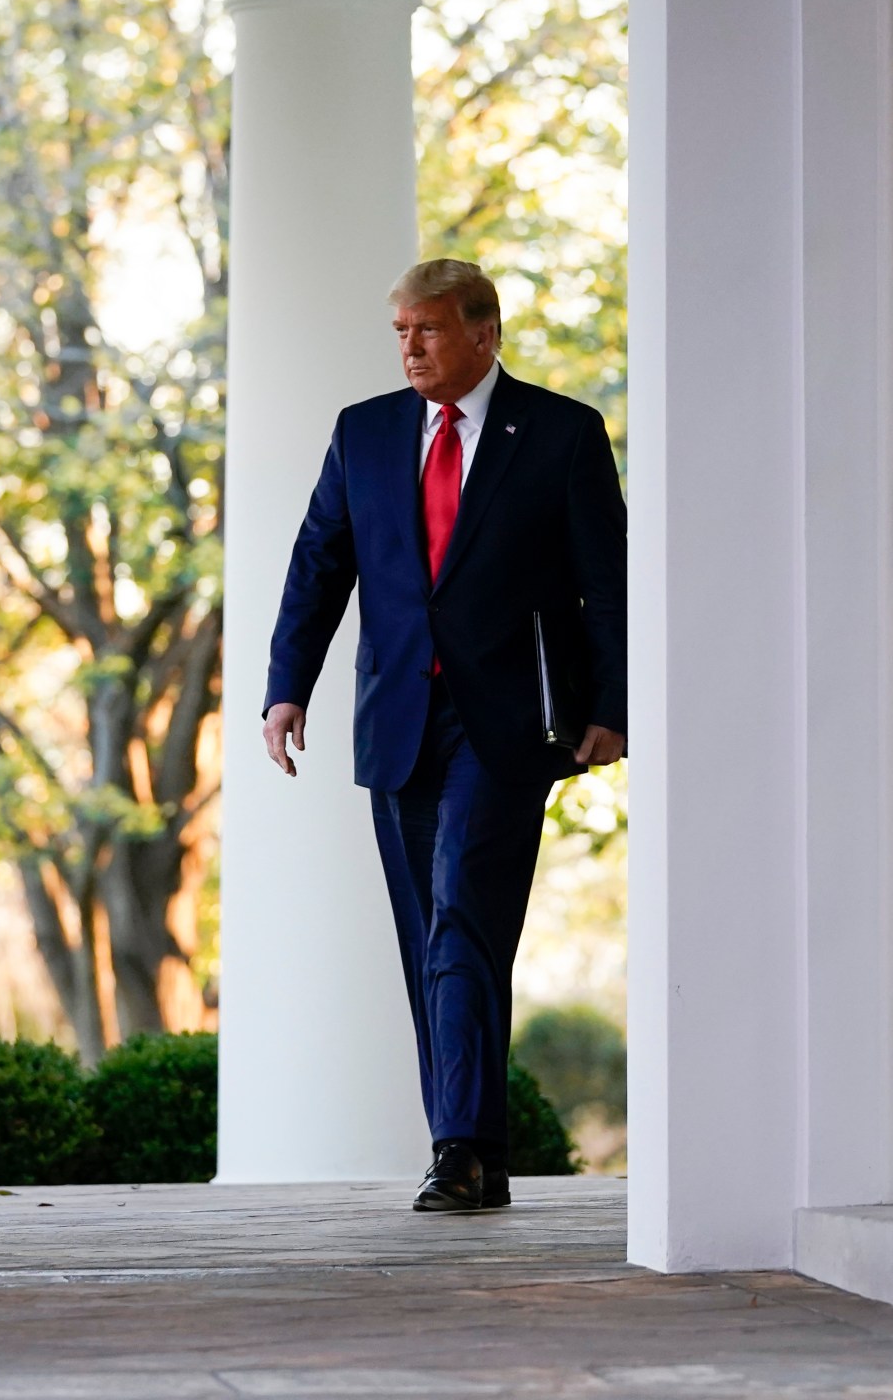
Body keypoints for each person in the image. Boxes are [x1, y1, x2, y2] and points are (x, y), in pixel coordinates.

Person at [261, 259, 627, 1212]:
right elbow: (318, 567)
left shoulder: (562, 434)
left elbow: (609, 582)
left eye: (426, 330)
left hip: (509, 724)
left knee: (462, 912)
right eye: (400, 332)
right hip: (397, 722)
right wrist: (285, 689)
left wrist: (614, 707)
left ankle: (457, 1145)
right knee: (435, 933)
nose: (410, 348)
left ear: (483, 333)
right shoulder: (364, 433)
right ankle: (479, 1150)